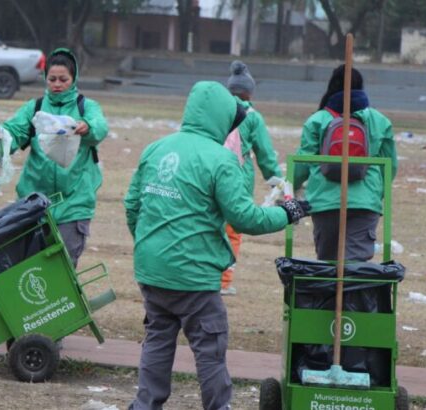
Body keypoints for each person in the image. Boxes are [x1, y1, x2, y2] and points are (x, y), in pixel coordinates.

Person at [124, 81, 310, 410]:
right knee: (210, 350)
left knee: (157, 340)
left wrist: (148, 245)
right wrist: (286, 213)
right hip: (194, 276)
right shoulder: (221, 160)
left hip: (152, 270)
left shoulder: (155, 149)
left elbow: (132, 207)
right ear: (222, 118)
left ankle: (144, 405)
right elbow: (244, 218)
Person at [1, 48, 108, 268]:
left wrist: (87, 128)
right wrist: (1, 138)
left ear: (74, 78)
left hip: (74, 203)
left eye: (63, 79)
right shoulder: (35, 107)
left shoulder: (86, 107)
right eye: (52, 79)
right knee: (31, 267)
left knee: (63, 268)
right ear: (45, 78)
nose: (57, 84)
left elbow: (100, 127)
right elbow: (15, 131)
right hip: (34, 203)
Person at [294, 64, 397, 262]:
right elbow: (390, 166)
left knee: (328, 265)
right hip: (364, 202)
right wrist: (375, 193)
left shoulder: (317, 120)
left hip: (325, 202)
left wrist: (292, 187)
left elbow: (302, 164)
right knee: (355, 268)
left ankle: (331, 294)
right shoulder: (380, 121)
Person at [220, 60, 284, 296]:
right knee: (233, 229)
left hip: (209, 176)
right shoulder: (252, 117)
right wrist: (276, 180)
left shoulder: (217, 110)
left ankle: (204, 275)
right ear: (248, 91)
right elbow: (265, 154)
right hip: (238, 179)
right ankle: (224, 280)